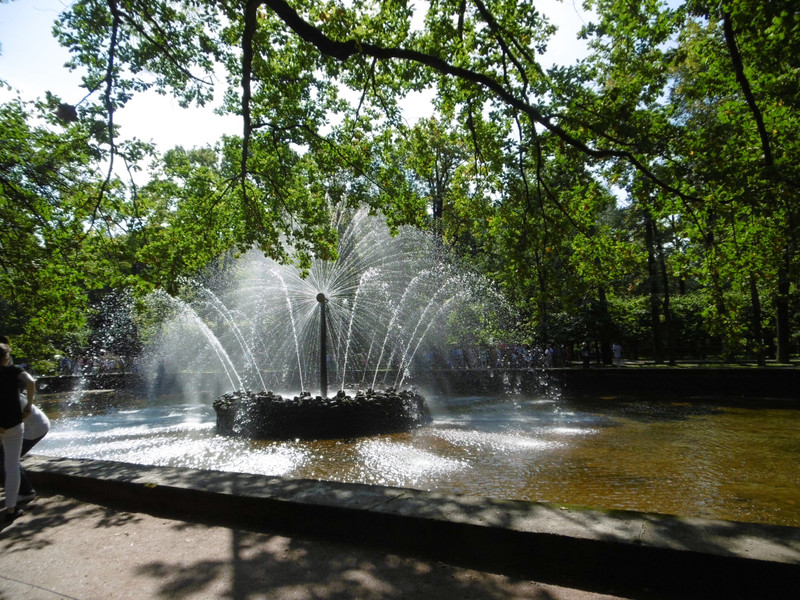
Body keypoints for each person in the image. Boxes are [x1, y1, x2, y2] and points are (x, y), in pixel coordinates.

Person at [0, 342, 36, 523]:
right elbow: (30, 382)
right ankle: (11, 509)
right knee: (12, 465)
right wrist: (29, 405)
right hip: (13, 424)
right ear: (6, 357)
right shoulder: (13, 370)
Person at [0, 391, 50, 504]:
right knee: (6, 459)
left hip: (34, 429)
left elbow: (6, 427)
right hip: (30, 426)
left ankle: (26, 492)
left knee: (8, 460)